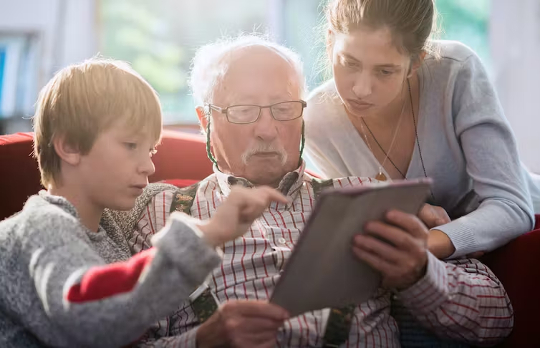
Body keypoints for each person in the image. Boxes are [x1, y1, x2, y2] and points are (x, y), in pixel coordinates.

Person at [109, 36, 513, 348]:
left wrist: (420, 275)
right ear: (204, 121)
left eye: (284, 108)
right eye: (244, 110)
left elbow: (497, 320)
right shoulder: (160, 212)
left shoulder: (366, 197)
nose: (267, 130)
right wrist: (201, 340)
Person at [0, 58, 289, 348]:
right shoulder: (42, 227)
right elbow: (90, 317)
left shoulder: (108, 225)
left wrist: (201, 340)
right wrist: (208, 233)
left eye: (150, 149)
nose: (149, 166)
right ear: (70, 147)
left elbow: (170, 194)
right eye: (130, 146)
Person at [304, 0, 538, 260]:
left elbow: (512, 207)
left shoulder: (455, 72)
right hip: (443, 268)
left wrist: (425, 245)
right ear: (329, 42)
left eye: (384, 71)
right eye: (349, 63)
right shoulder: (317, 121)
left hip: (527, 243)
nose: (361, 88)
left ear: (416, 62)